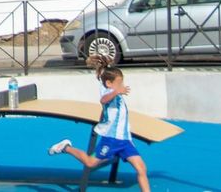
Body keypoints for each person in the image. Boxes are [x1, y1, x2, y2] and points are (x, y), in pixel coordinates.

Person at [47, 59, 151, 192]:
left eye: (122, 82)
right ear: (109, 83)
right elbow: (103, 100)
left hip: (125, 140)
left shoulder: (116, 93)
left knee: (141, 168)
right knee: (90, 163)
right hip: (111, 139)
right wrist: (116, 92)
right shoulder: (108, 92)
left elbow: (107, 109)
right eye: (119, 83)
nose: (122, 85)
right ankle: (66, 147)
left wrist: (103, 117)